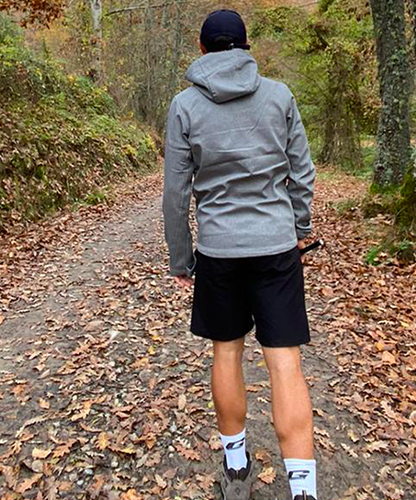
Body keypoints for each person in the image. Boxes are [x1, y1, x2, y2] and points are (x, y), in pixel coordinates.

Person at [162, 9, 318, 500]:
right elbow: (302, 171)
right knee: (285, 363)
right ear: (246, 46)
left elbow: (175, 192)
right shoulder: (279, 95)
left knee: (226, 352)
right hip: (275, 246)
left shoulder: (184, 106)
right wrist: (300, 226)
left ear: (202, 50)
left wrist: (182, 258)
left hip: (219, 252)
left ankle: (235, 466)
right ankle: (304, 490)